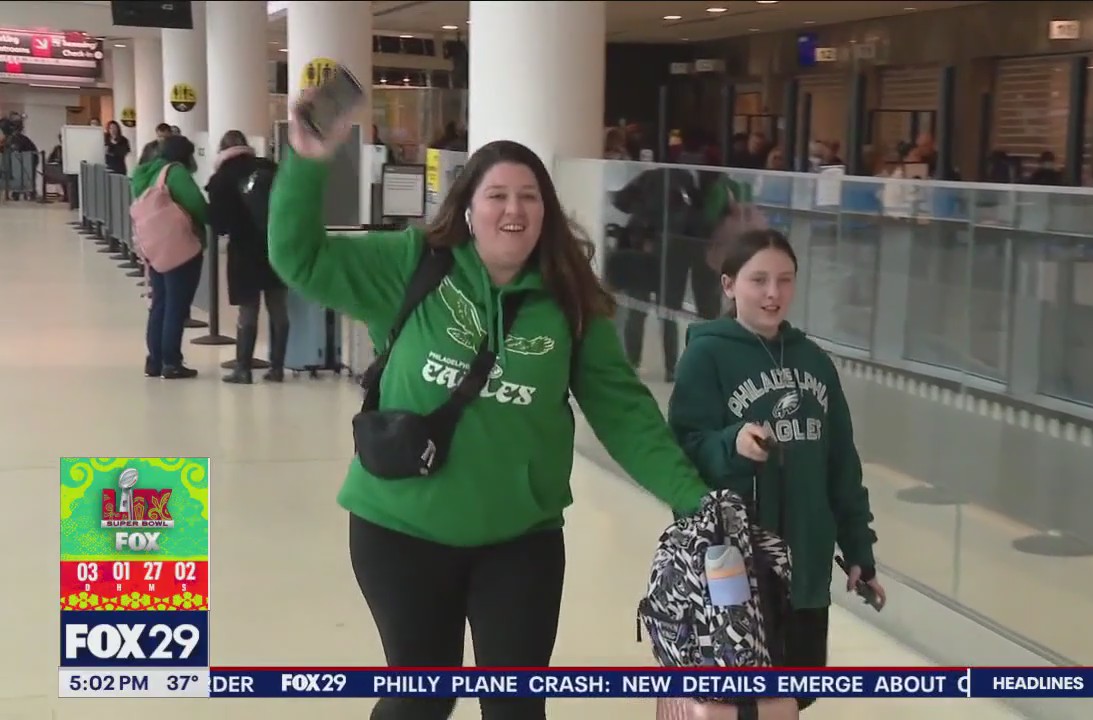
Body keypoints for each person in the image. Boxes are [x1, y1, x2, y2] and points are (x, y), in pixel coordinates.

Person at [268, 91, 711, 720]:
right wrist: (308, 163)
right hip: (401, 529)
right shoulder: (414, 264)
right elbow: (300, 257)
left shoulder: (571, 299)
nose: (513, 209)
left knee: (516, 708)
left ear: (546, 212)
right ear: (469, 209)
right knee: (421, 701)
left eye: (529, 196)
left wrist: (694, 500)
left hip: (520, 538)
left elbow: (625, 412)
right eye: (497, 195)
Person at [666, 228, 885, 711]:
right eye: (759, 280)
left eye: (785, 280)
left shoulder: (815, 362)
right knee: (738, 700)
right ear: (729, 285)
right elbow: (684, 448)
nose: (773, 293)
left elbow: (841, 465)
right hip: (735, 568)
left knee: (794, 697)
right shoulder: (706, 356)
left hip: (805, 568)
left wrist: (858, 550)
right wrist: (732, 443)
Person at [206, 130, 289, 384]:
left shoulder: (221, 179)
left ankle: (243, 368)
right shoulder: (270, 168)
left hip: (243, 250)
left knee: (248, 309)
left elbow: (218, 223)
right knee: (278, 308)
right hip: (276, 247)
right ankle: (277, 368)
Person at [132, 134, 207, 380]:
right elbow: (196, 204)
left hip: (153, 246)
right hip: (179, 247)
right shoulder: (175, 172)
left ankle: (154, 361)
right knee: (177, 305)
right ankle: (172, 362)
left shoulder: (145, 173)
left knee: (160, 303)